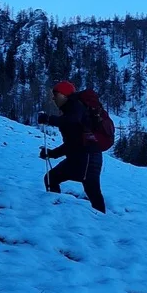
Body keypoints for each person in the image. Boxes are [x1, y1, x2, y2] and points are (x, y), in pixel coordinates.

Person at [37, 80, 106, 213]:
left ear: (64, 95)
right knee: (51, 178)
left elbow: (71, 121)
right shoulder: (71, 111)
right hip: (79, 157)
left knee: (92, 191)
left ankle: (103, 221)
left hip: (88, 158)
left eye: (56, 95)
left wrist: (49, 119)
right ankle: (55, 211)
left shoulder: (76, 107)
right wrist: (51, 154)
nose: (53, 99)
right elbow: (72, 143)